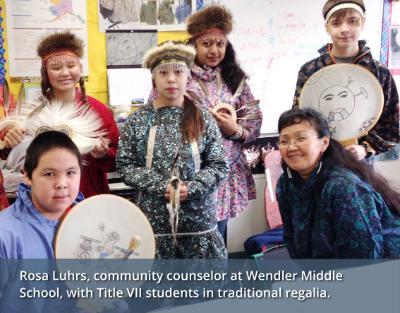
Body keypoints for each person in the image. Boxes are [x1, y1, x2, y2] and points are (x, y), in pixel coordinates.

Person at [117, 41, 229, 259]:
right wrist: (161, 187)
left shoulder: (203, 117)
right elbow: (125, 165)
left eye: (178, 72)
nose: (171, 79)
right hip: (153, 220)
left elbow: (219, 164)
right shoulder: (138, 121)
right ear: (153, 79)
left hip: (199, 220)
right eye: (163, 73)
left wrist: (193, 187)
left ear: (188, 77)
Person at [3, 31, 119, 198]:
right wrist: (10, 143)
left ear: (80, 69)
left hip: (88, 197)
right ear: (45, 73)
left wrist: (103, 154)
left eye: (71, 66)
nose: (65, 73)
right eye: (56, 67)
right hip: (45, 199)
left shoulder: (98, 111)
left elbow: (117, 158)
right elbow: (10, 152)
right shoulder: (32, 111)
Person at [276, 108, 400, 258]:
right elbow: (291, 238)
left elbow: (363, 258)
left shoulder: (344, 186)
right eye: (284, 141)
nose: (291, 147)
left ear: (324, 143)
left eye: (301, 138)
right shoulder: (285, 184)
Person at [185, 5, 263, 244]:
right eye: (207, 43)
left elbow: (254, 118)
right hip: (191, 169)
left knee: (219, 234)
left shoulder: (234, 79)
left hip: (225, 171)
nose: (214, 50)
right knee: (192, 233)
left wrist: (235, 130)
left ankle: (217, 279)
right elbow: (158, 113)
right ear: (194, 45)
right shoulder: (178, 75)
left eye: (220, 43)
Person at [292, 0, 399, 160]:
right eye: (336, 23)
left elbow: (393, 127)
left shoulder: (379, 72)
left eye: (352, 21)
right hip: (318, 162)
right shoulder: (311, 70)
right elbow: (298, 119)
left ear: (362, 22)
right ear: (327, 27)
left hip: (361, 166)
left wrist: (365, 149)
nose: (344, 29)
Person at [0, 131, 83, 259]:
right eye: (49, 174)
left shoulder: (93, 223)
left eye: (70, 172)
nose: (62, 184)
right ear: (27, 175)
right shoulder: (5, 234)